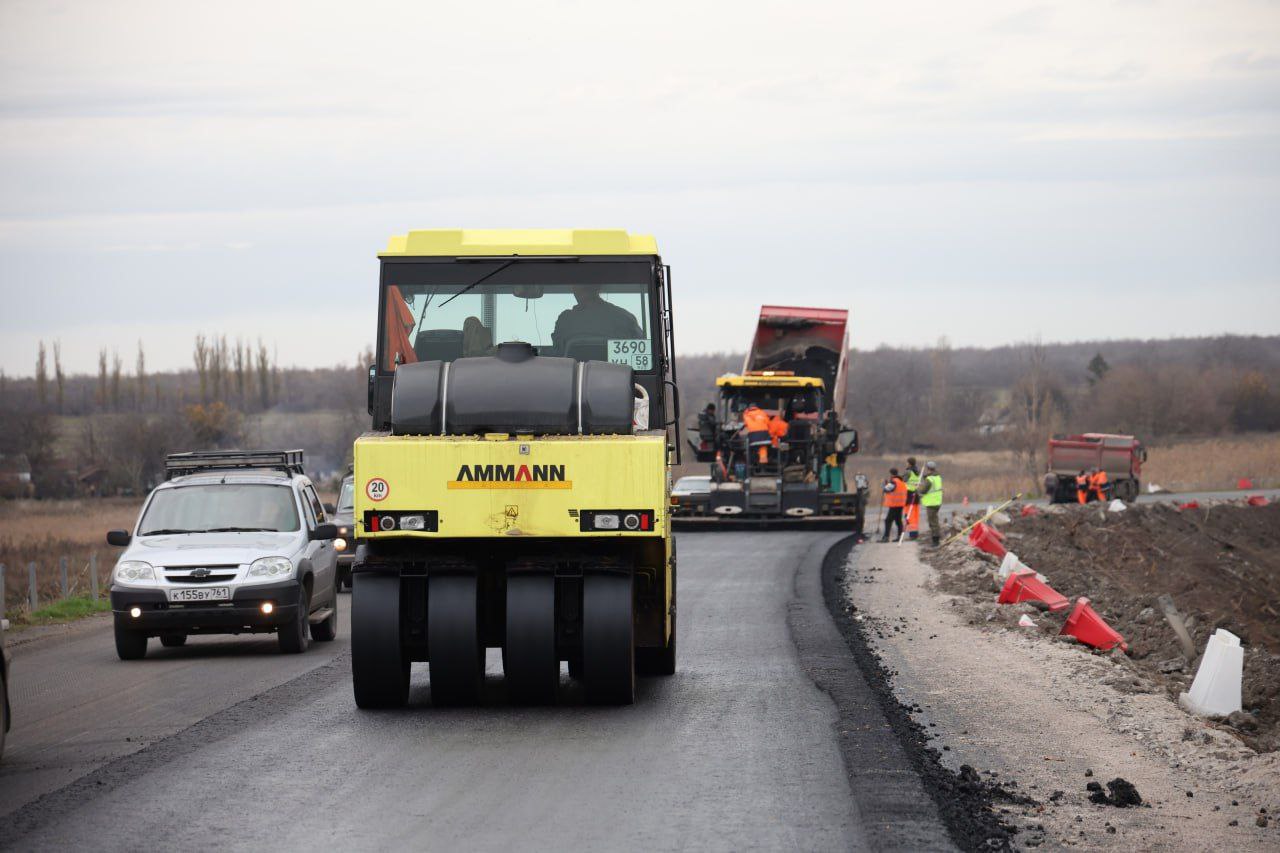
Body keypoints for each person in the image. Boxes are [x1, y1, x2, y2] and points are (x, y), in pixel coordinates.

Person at [551, 286, 644, 356]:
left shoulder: (565, 320)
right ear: (599, 287)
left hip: (569, 380)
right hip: (619, 380)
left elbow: (557, 354)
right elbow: (642, 352)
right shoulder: (625, 317)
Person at [917, 460, 944, 546]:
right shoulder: (938, 477)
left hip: (931, 503)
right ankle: (936, 539)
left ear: (928, 468)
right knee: (934, 521)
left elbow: (924, 490)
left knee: (932, 522)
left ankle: (936, 541)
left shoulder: (929, 479)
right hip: (937, 502)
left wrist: (917, 490)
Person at [880, 467, 907, 542]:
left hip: (894, 504)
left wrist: (883, 484)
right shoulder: (901, 482)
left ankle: (886, 537)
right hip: (901, 504)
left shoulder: (893, 482)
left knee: (888, 520)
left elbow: (886, 489)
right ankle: (899, 537)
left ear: (891, 474)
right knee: (898, 521)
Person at [903, 456, 921, 541]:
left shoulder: (908, 472)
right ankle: (915, 533)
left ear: (909, 463)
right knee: (915, 515)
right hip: (916, 495)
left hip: (909, 495)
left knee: (909, 515)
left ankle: (912, 535)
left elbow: (903, 481)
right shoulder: (917, 472)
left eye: (907, 462)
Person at [853, 472, 870, 542]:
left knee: (860, 518)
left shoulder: (864, 490)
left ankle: (859, 532)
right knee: (860, 518)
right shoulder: (862, 490)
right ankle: (859, 532)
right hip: (860, 506)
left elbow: (865, 499)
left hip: (861, 506)